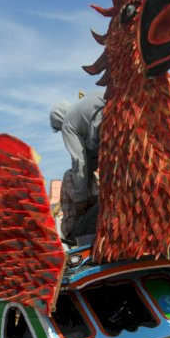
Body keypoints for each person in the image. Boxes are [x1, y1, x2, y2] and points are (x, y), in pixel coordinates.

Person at [49, 91, 105, 239]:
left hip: (108, 126)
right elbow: (82, 206)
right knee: (105, 205)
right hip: (76, 230)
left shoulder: (69, 122)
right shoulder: (70, 176)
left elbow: (79, 159)